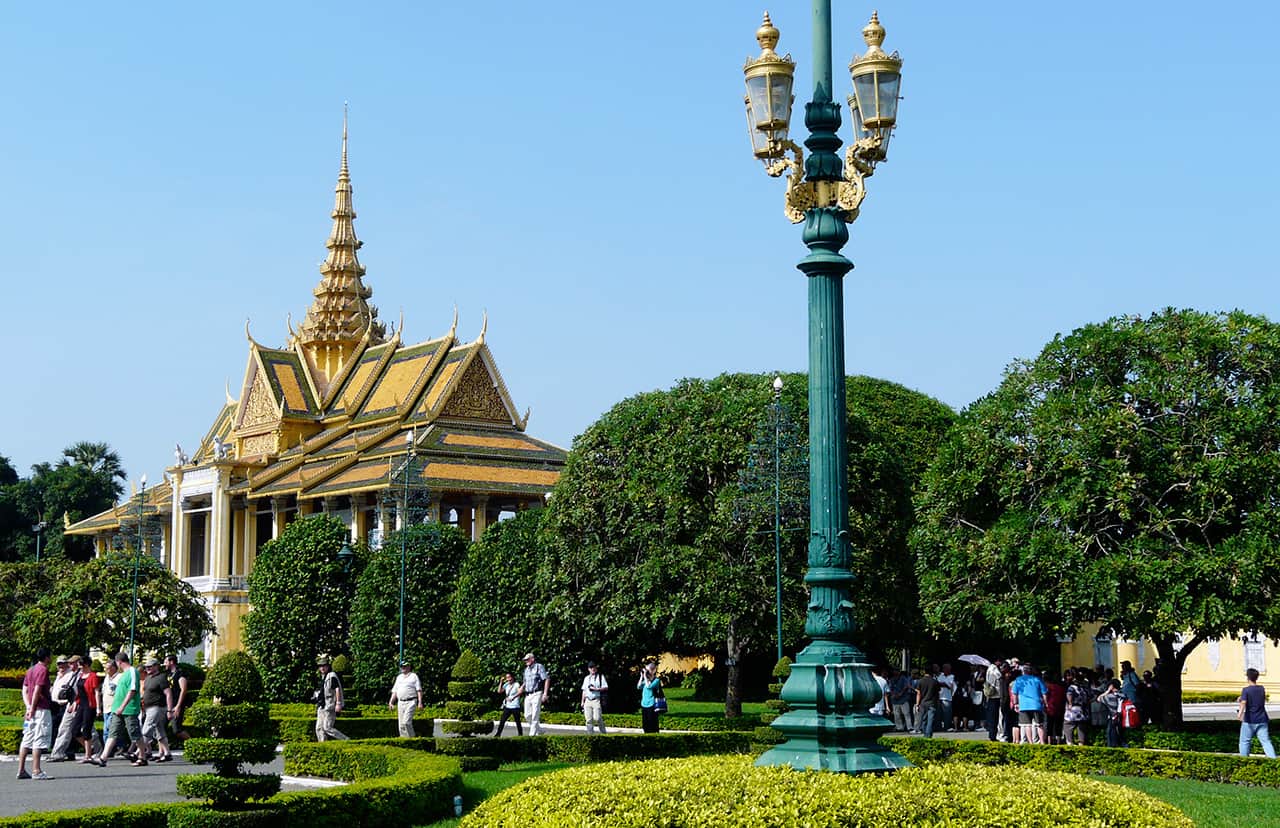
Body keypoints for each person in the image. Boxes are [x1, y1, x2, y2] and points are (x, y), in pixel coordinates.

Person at [95, 651, 148, 767]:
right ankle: (103, 757)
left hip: (129, 709)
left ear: (119, 662)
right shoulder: (123, 674)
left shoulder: (132, 672)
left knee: (134, 733)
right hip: (117, 709)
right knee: (112, 733)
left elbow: (133, 690)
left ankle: (142, 756)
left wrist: (122, 706)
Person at [17, 647, 54, 780]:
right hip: (41, 709)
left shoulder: (31, 670)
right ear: (46, 657)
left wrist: (28, 707)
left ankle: (21, 769)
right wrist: (32, 707)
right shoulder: (43, 670)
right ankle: (36, 770)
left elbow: (24, 689)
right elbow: (38, 689)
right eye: (50, 656)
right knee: (39, 737)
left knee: (27, 738)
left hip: (31, 710)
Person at [1238, 667, 1277, 758]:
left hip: (1249, 720)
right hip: (1262, 719)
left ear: (1247, 678)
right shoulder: (1261, 688)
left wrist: (1240, 714)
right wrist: (1241, 698)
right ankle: (1273, 760)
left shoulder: (1245, 690)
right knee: (1266, 741)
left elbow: (1244, 702)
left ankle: (1244, 761)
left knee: (1244, 741)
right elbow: (1255, 697)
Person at [140, 658, 173, 762]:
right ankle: (167, 753)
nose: (148, 668)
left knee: (146, 730)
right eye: (146, 667)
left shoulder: (161, 678)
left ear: (156, 666)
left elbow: (168, 694)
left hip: (157, 707)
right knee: (159, 731)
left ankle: (138, 753)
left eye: (150, 666)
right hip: (148, 708)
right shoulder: (148, 678)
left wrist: (169, 710)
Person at [1010, 663, 1049, 745]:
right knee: (1039, 724)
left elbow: (1014, 693)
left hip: (1024, 705)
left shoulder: (1018, 680)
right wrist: (1045, 703)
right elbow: (1044, 693)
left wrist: (1016, 704)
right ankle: (1042, 742)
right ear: (1031, 671)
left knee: (1027, 725)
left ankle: (1030, 743)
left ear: (1023, 671)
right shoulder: (1037, 679)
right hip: (1036, 704)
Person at [47, 656, 77, 761]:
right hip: (55, 704)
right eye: (59, 664)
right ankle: (57, 749)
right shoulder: (58, 675)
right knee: (55, 728)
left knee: (66, 729)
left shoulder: (70, 675)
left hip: (65, 704)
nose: (61, 666)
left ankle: (69, 752)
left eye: (63, 663)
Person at [314, 656, 348, 742]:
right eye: (320, 666)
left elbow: (337, 689)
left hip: (329, 705)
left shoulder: (332, 676)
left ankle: (346, 740)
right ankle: (323, 746)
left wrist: (338, 703)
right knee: (319, 728)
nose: (321, 668)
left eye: (323, 666)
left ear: (327, 666)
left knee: (327, 727)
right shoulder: (323, 677)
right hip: (321, 706)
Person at [388, 660, 423, 737]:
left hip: (411, 701)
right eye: (402, 667)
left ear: (409, 667)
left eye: (405, 666)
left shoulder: (414, 676)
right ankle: (404, 740)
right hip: (400, 702)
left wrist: (420, 702)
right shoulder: (399, 677)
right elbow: (395, 691)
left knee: (406, 722)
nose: (403, 668)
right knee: (401, 725)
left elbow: (419, 690)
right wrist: (391, 702)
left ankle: (412, 739)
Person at [521, 652, 551, 736]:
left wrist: (545, 693)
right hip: (528, 694)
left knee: (535, 715)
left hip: (537, 693)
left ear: (532, 659)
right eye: (525, 660)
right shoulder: (526, 670)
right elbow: (525, 682)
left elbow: (546, 679)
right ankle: (539, 730)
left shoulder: (539, 667)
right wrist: (521, 688)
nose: (526, 661)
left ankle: (532, 735)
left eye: (527, 659)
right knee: (527, 715)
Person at [164, 655, 191, 742]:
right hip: (168, 705)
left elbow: (183, 690)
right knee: (160, 728)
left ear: (171, 662)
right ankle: (163, 752)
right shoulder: (168, 674)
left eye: (166, 662)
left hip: (176, 705)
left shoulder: (180, 674)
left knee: (177, 730)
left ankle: (193, 743)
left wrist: (178, 706)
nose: (164, 664)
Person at [580, 661, 609, 735]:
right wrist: (582, 702)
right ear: (588, 669)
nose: (592, 669)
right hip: (587, 700)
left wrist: (597, 689)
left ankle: (603, 733)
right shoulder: (586, 678)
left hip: (596, 700)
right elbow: (584, 691)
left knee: (598, 718)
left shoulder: (600, 677)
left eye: (594, 667)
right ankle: (590, 735)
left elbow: (606, 687)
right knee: (588, 719)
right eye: (591, 667)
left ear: (596, 668)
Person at [1063, 670, 1091, 746]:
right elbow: (1090, 698)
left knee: (1068, 725)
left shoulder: (1072, 687)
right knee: (1081, 726)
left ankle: (1070, 742)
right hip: (1083, 709)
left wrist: (1070, 703)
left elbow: (1069, 694)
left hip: (1073, 708)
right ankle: (1081, 743)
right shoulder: (1084, 688)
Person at [100, 659, 120, 759]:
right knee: (106, 730)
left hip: (114, 707)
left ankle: (109, 750)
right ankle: (111, 749)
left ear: (113, 667)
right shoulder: (107, 678)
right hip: (106, 707)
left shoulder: (119, 677)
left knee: (108, 729)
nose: (106, 670)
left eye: (108, 668)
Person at [494, 673, 524, 737]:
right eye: (507, 678)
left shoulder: (516, 684)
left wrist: (513, 697)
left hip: (515, 706)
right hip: (508, 706)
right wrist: (501, 682)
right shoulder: (506, 684)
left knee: (517, 721)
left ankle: (520, 734)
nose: (508, 679)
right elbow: (499, 691)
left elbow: (520, 692)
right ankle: (498, 734)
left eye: (509, 677)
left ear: (512, 677)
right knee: (502, 720)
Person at [637, 659, 662, 734]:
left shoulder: (656, 680)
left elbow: (649, 686)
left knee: (652, 722)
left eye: (648, 670)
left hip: (652, 704)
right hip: (644, 703)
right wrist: (641, 676)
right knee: (645, 723)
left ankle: (654, 735)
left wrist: (645, 676)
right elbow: (638, 687)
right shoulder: (645, 679)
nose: (647, 672)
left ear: (653, 671)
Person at [915, 667, 940, 738]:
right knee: (931, 719)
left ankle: (925, 733)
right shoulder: (934, 681)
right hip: (932, 702)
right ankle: (928, 734)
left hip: (923, 703)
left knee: (924, 719)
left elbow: (918, 693)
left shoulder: (920, 681)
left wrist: (917, 704)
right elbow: (938, 692)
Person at [888, 668, 914, 733]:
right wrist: (893, 694)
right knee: (897, 715)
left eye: (896, 670)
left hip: (903, 699)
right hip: (895, 699)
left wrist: (900, 693)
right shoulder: (892, 679)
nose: (895, 672)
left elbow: (906, 686)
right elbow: (890, 688)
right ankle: (899, 727)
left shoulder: (903, 678)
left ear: (899, 671)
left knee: (906, 713)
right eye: (894, 670)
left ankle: (909, 727)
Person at [1101, 678, 1125, 748]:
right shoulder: (1122, 694)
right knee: (1120, 734)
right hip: (1122, 717)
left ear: (1111, 686)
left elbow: (1099, 698)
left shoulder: (1110, 696)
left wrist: (1108, 691)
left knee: (1111, 734)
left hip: (1113, 717)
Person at [983, 660, 1003, 741]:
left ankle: (992, 734)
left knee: (993, 716)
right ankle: (993, 735)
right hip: (995, 695)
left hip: (992, 695)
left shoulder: (989, 668)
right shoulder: (993, 669)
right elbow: (999, 677)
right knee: (994, 717)